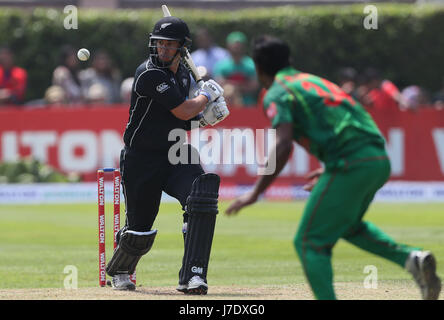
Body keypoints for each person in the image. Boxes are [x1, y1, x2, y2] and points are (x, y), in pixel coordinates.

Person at [225, 35, 441, 300]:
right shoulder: (315, 80)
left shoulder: (276, 93)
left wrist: (255, 192)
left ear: (258, 69)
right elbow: (348, 117)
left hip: (349, 162)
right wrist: (333, 167)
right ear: (289, 60)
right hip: (377, 158)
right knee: (346, 225)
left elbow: (283, 146)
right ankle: (411, 260)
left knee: (308, 243)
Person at [105, 16, 229, 294]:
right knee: (139, 230)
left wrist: (205, 119)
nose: (162, 50)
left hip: (175, 152)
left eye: (169, 45)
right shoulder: (149, 73)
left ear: (182, 49)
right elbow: (184, 110)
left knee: (201, 197)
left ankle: (193, 276)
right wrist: (206, 98)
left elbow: (182, 120)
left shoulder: (184, 74)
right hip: (141, 158)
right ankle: (122, 269)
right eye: (158, 44)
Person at [213, 31, 259, 107]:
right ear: (228, 46)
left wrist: (231, 86)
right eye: (234, 44)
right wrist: (242, 86)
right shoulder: (221, 65)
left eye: (239, 45)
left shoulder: (251, 64)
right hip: (225, 106)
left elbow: (254, 86)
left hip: (248, 106)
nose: (236, 47)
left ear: (244, 46)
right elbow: (218, 85)